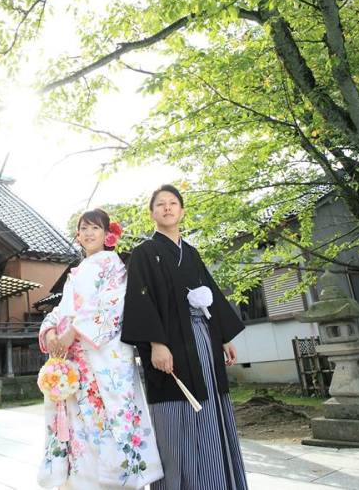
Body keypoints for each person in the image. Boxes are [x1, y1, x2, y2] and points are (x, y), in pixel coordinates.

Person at [121, 185, 248, 490]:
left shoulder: (191, 253)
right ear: (152, 213)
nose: (167, 208)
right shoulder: (144, 254)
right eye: (160, 204)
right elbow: (141, 301)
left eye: (173, 203)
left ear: (182, 211)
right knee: (177, 415)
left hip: (202, 338)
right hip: (169, 344)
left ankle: (218, 481)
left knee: (212, 406)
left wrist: (222, 337)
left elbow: (211, 297)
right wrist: (155, 343)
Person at [37, 208, 164, 489]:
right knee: (80, 425)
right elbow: (60, 309)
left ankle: (117, 481)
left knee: (109, 419)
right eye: (83, 228)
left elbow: (113, 304)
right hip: (76, 361)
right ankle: (86, 482)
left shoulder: (114, 266)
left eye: (95, 228)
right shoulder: (76, 273)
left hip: (103, 357)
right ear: (78, 236)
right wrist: (50, 332)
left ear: (108, 235)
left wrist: (72, 332)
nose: (89, 233)